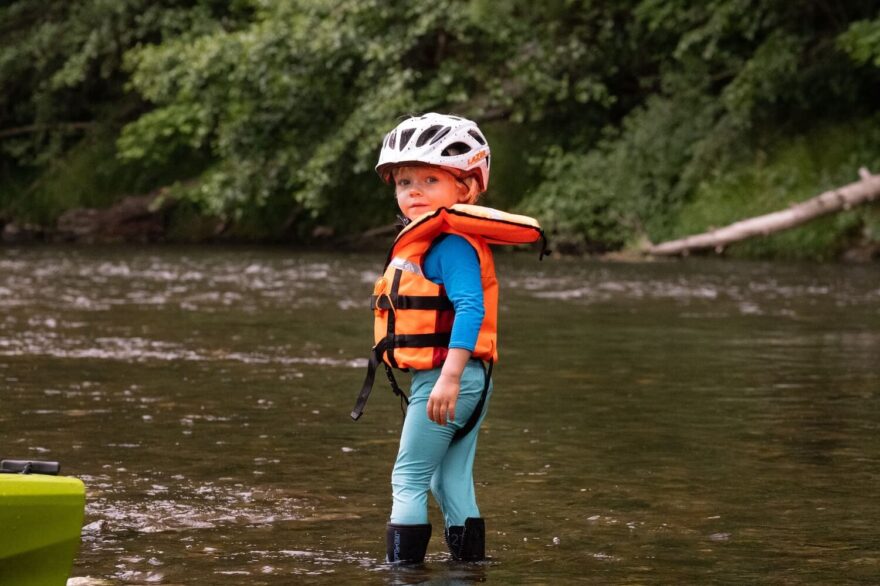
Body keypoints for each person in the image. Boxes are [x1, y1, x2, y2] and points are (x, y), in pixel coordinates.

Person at [351, 113, 545, 565]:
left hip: (450, 375)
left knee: (409, 478)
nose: (412, 191)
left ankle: (403, 575)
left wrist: (449, 377)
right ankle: (470, 570)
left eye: (429, 179)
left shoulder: (451, 244)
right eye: (403, 181)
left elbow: (471, 308)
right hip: (465, 376)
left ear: (466, 189)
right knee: (449, 480)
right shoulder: (432, 241)